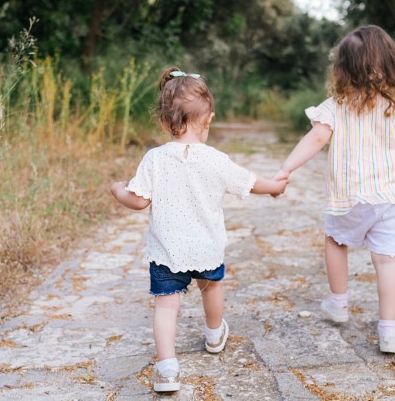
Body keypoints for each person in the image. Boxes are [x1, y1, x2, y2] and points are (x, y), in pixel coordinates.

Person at [111, 67, 287, 392]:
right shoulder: (216, 159)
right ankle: (214, 333)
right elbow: (249, 182)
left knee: (166, 305)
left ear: (164, 122)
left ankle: (166, 369)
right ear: (209, 119)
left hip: (167, 251)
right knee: (211, 289)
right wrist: (274, 186)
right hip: (206, 247)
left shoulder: (155, 159)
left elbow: (137, 202)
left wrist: (118, 189)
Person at [273, 25, 395, 354]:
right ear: (391, 62)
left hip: (351, 196)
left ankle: (338, 302)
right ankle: (389, 332)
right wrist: (394, 141)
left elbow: (317, 138)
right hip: (392, 197)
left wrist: (286, 169)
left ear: (342, 67)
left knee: (335, 239)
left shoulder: (335, 105)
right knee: (389, 261)